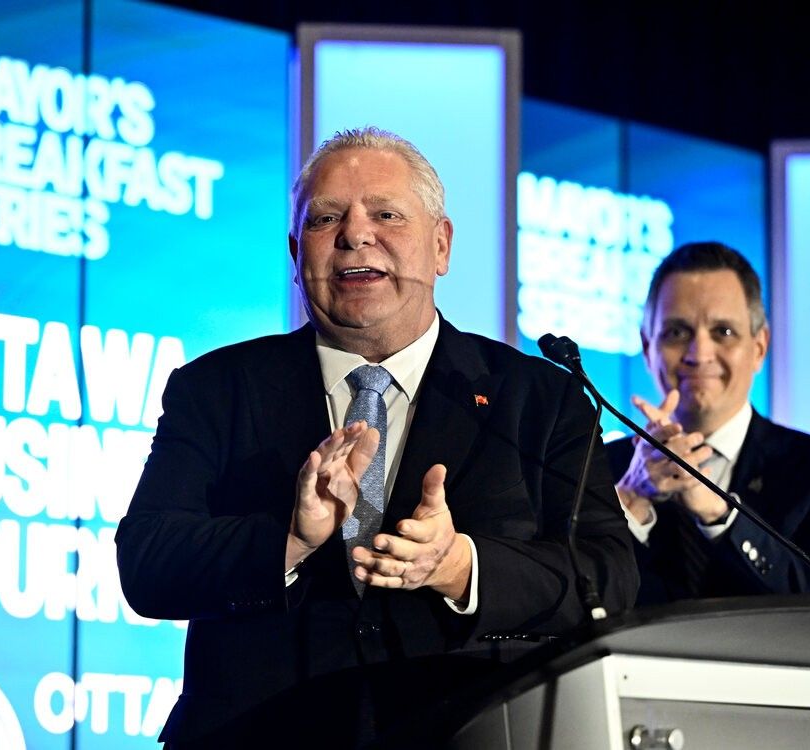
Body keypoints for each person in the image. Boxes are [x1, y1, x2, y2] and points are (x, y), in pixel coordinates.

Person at [115, 127, 638, 748]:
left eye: (386, 214)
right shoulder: (218, 388)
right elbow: (147, 564)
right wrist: (289, 538)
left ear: (441, 245)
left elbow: (608, 577)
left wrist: (459, 567)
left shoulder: (539, 399)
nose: (355, 235)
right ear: (295, 253)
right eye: (326, 218)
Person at [606, 241, 810, 605]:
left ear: (759, 347)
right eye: (677, 332)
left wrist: (721, 514)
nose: (699, 354)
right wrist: (631, 500)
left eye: (723, 332)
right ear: (647, 347)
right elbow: (571, 604)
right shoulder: (595, 469)